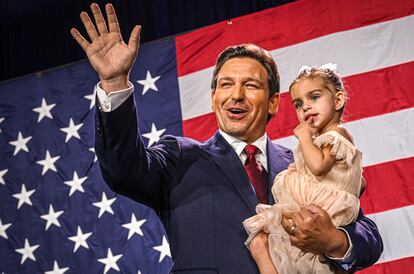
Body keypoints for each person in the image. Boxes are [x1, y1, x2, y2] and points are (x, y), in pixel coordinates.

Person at [70, 3, 383, 273]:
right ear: (213, 97)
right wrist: (114, 83)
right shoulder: (179, 156)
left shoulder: (302, 164)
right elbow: (123, 170)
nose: (236, 96)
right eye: (226, 84)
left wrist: (336, 241)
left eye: (250, 85)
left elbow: (367, 234)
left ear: (273, 102)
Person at [244, 64, 366, 273]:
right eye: (299, 104)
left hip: (318, 216)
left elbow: (318, 167)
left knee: (262, 244)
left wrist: (304, 137)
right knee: (261, 244)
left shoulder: (336, 135)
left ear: (338, 100)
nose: (306, 107)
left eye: (314, 97)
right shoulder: (327, 142)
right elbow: (360, 183)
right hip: (309, 211)